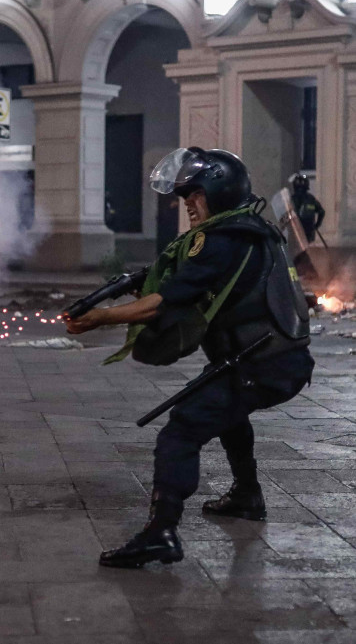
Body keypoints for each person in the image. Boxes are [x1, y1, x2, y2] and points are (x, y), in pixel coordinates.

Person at [66, 147, 313, 569]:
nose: (187, 207)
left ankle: (161, 533)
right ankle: (247, 495)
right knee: (229, 412)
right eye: (184, 199)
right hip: (279, 359)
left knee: (179, 433)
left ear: (217, 192)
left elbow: (163, 304)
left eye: (192, 197)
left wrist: (100, 318)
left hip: (260, 363)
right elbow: (191, 279)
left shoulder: (220, 241)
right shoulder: (251, 228)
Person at [291, 173, 324, 243]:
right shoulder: (310, 199)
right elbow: (321, 212)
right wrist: (317, 225)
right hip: (300, 230)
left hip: (301, 231)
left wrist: (317, 225)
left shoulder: (292, 199)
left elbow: (321, 212)